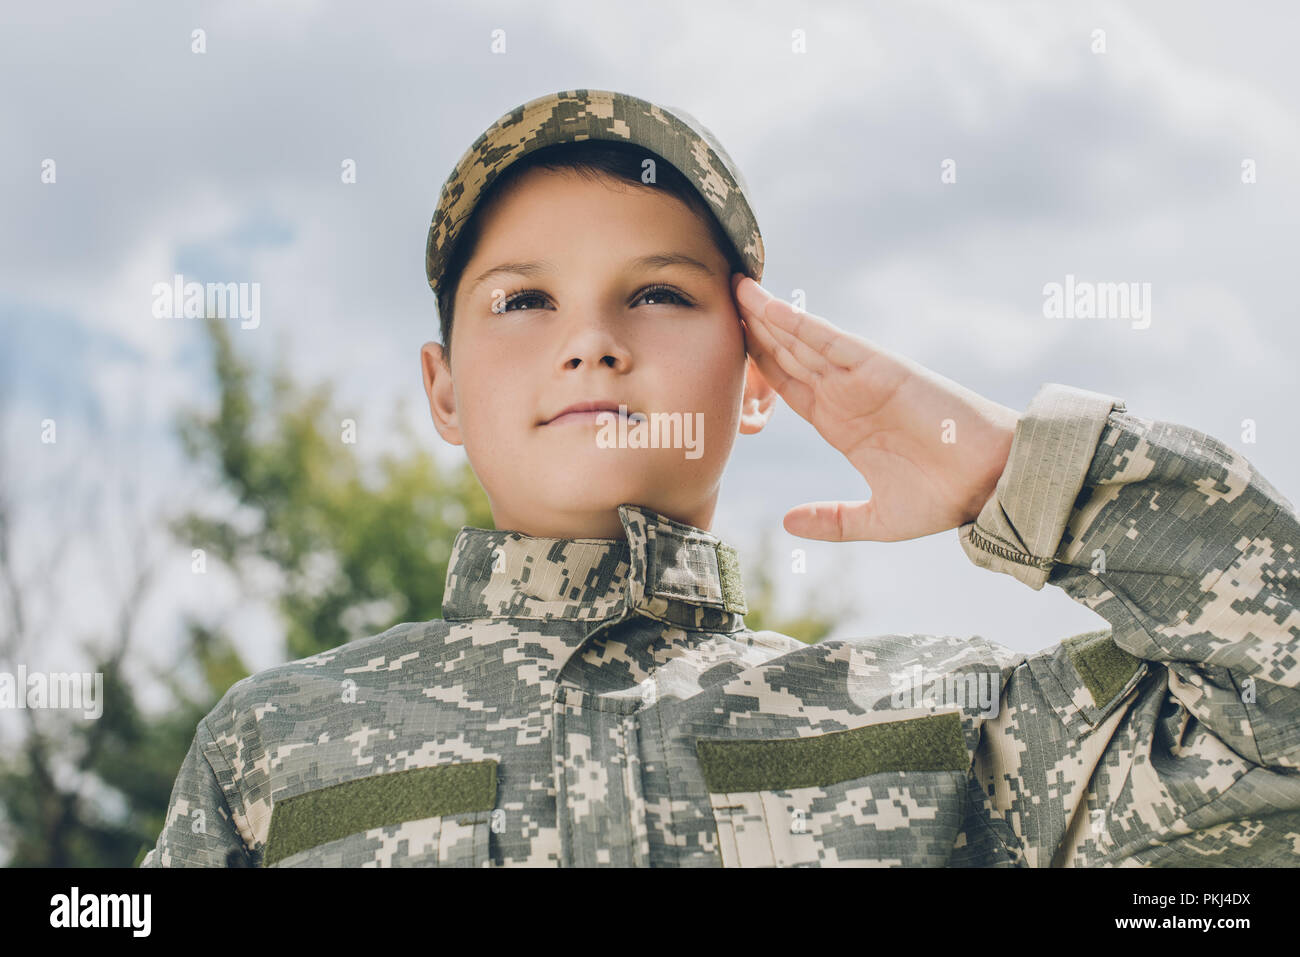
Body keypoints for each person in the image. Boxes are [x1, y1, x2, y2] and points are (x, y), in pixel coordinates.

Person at [139, 88, 1299, 868]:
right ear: (443, 389)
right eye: (523, 300)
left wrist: (1011, 469)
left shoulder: (950, 727)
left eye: (656, 293)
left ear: (756, 374)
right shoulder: (274, 744)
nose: (589, 340)